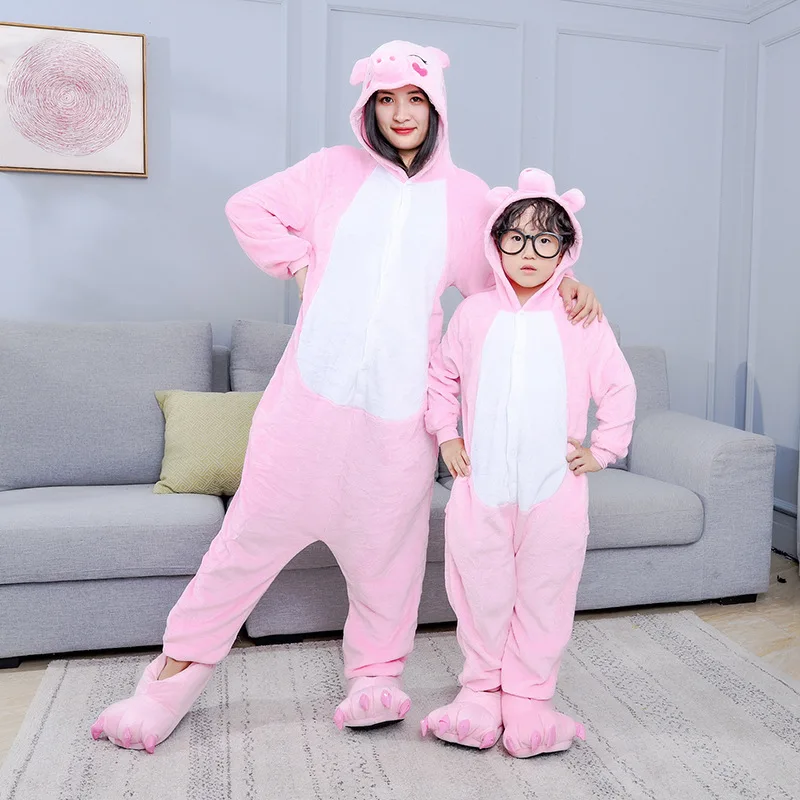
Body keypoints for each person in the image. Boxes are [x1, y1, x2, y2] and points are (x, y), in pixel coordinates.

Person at [90, 43, 602, 754]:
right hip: (305, 410)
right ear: (369, 106)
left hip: (399, 421)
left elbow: (508, 279)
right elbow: (248, 206)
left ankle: (374, 679)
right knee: (240, 549)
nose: (401, 113)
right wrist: (300, 263)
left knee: (388, 560)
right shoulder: (332, 170)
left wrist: (565, 284)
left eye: (415, 99)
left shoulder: (465, 199)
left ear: (437, 107)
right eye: (386, 99)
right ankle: (165, 686)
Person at [421, 168, 635, 757]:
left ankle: (529, 698)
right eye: (515, 238)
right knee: (480, 588)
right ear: (496, 243)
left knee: (546, 590)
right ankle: (480, 692)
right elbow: (441, 377)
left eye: (545, 240)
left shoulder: (579, 317)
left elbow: (617, 385)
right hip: (481, 484)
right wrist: (445, 435)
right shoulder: (474, 314)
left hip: (554, 490)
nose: (529, 252)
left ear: (566, 249)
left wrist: (605, 448)